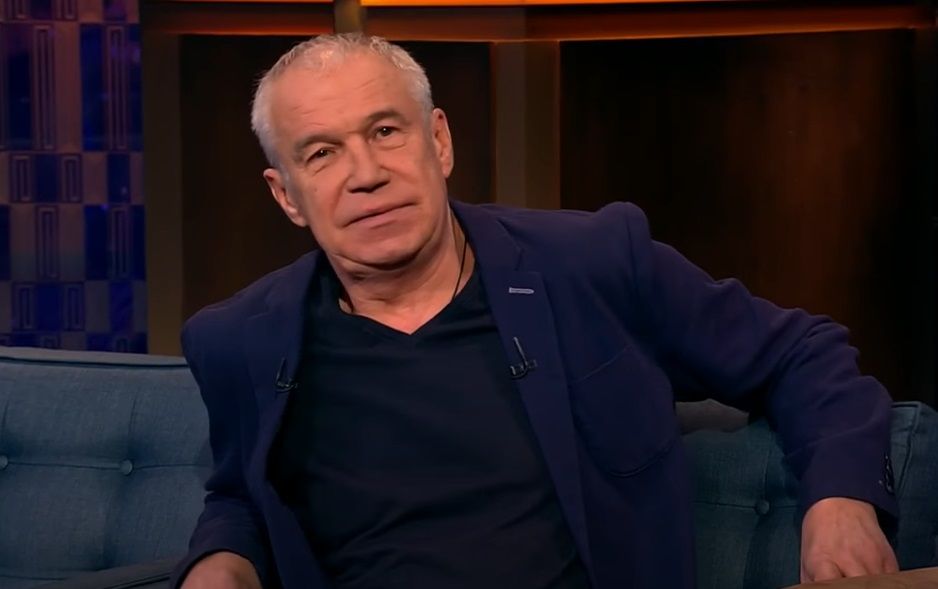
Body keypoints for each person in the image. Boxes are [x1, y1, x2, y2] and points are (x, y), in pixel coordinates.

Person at [172, 33, 899, 589]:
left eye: (386, 131)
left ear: (439, 141)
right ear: (287, 195)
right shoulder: (240, 339)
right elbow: (242, 493)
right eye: (322, 154)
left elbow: (800, 353)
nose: (366, 174)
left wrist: (840, 497)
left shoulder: (593, 263)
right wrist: (220, 562)